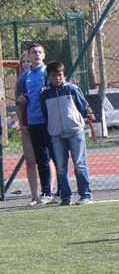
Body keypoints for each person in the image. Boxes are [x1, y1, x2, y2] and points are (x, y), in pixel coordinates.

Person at [39, 61, 93, 205]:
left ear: (63, 75)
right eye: (54, 76)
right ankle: (66, 197)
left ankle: (85, 195)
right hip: (56, 134)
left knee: (80, 164)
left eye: (60, 75)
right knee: (61, 167)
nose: (57, 78)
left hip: (75, 132)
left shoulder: (72, 89)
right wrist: (53, 127)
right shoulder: (45, 94)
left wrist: (77, 122)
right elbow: (45, 114)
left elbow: (82, 108)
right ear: (48, 76)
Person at [15, 43, 54, 204]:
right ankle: (42, 194)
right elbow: (19, 101)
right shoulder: (24, 78)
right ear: (28, 57)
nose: (37, 55)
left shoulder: (50, 72)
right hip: (34, 123)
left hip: (51, 122)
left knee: (57, 158)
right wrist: (21, 100)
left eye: (39, 52)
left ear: (44, 55)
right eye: (33, 52)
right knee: (39, 159)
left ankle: (60, 192)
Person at [15, 52, 43, 205]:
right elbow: (19, 105)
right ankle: (34, 195)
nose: (26, 63)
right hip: (27, 125)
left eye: (28, 60)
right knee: (30, 161)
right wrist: (21, 124)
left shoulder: (42, 77)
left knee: (45, 159)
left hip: (41, 123)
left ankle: (47, 192)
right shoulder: (21, 81)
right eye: (23, 61)